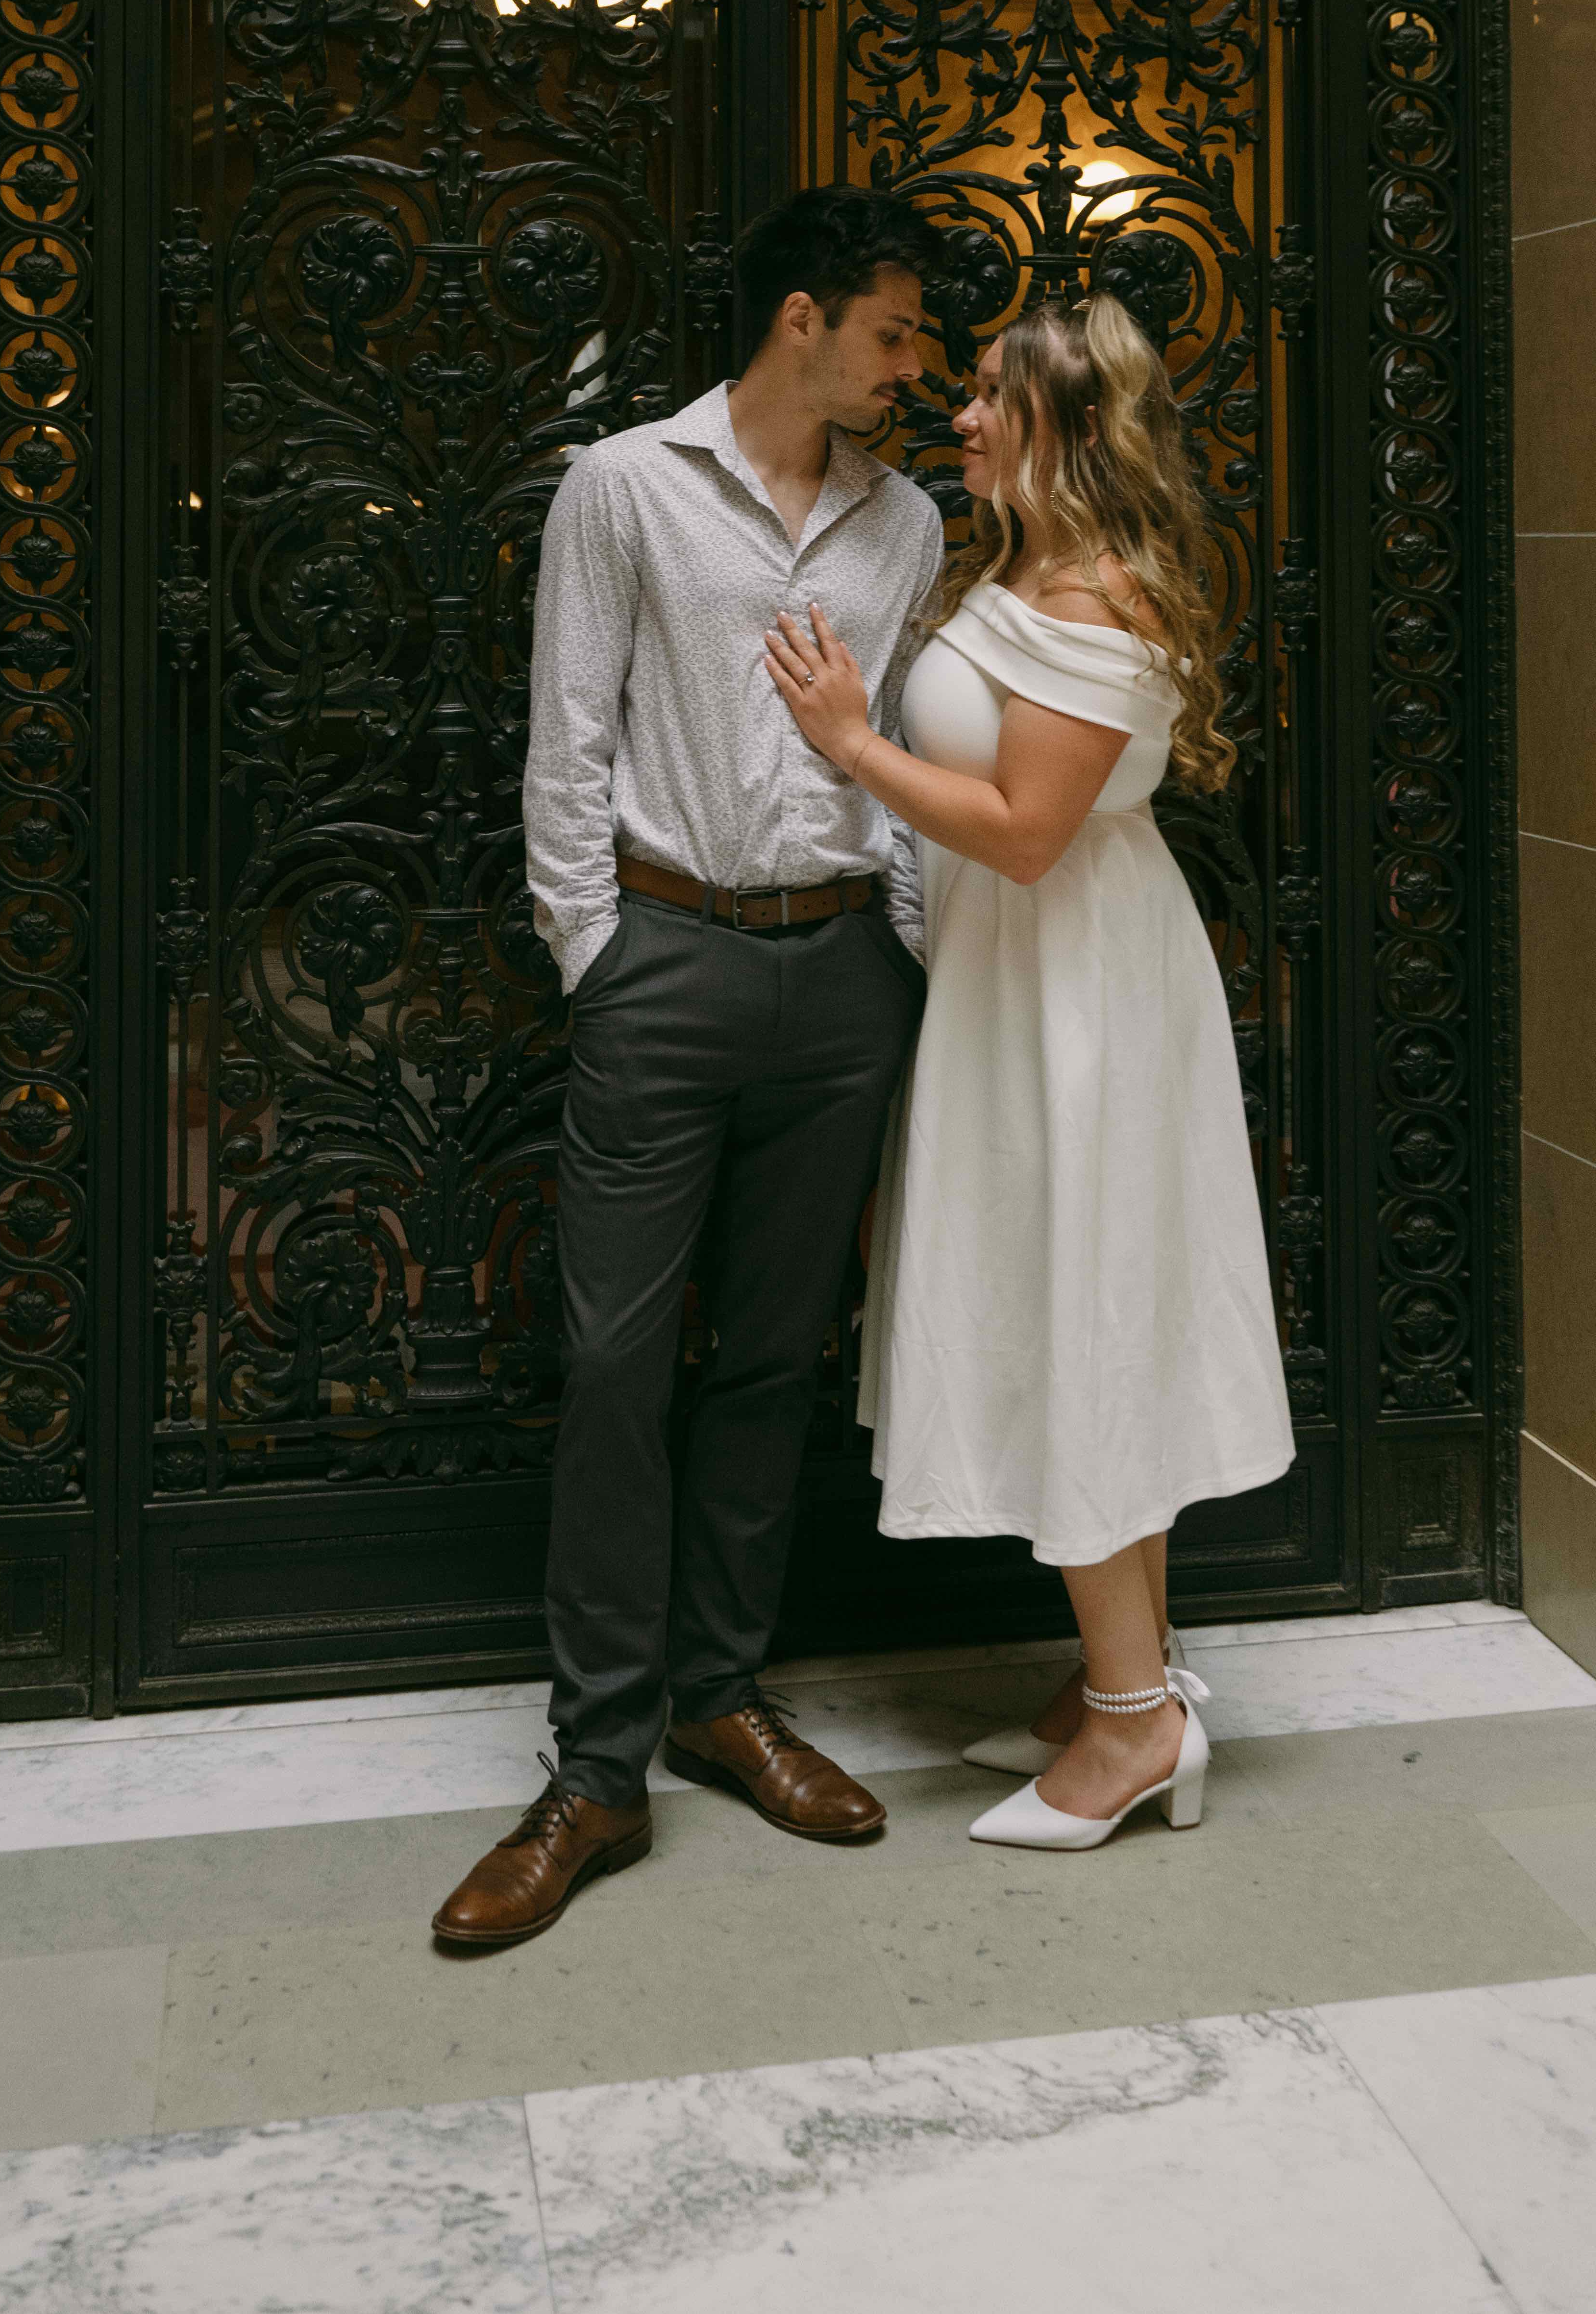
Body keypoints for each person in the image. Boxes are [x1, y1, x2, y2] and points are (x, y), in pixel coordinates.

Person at [431, 187, 949, 1953]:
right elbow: (563, 737)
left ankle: (725, 1699)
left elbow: (894, 746)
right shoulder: (624, 486)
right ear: (800, 318)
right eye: (891, 334)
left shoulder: (907, 524)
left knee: (775, 1360)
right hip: (665, 963)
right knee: (612, 1361)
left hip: (843, 977)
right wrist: (602, 956)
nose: (910, 370)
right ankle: (595, 1767)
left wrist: (898, 944)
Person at [763, 293, 1293, 1852]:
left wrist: (846, 742)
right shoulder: (1035, 573)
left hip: (1080, 1003)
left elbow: (1025, 829)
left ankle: (1133, 1727)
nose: (966, 417)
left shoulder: (1091, 601)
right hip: (1032, 986)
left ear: (1065, 427)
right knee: (1080, 1311)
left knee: (1083, 1319)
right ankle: (1117, 1681)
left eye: (994, 398)